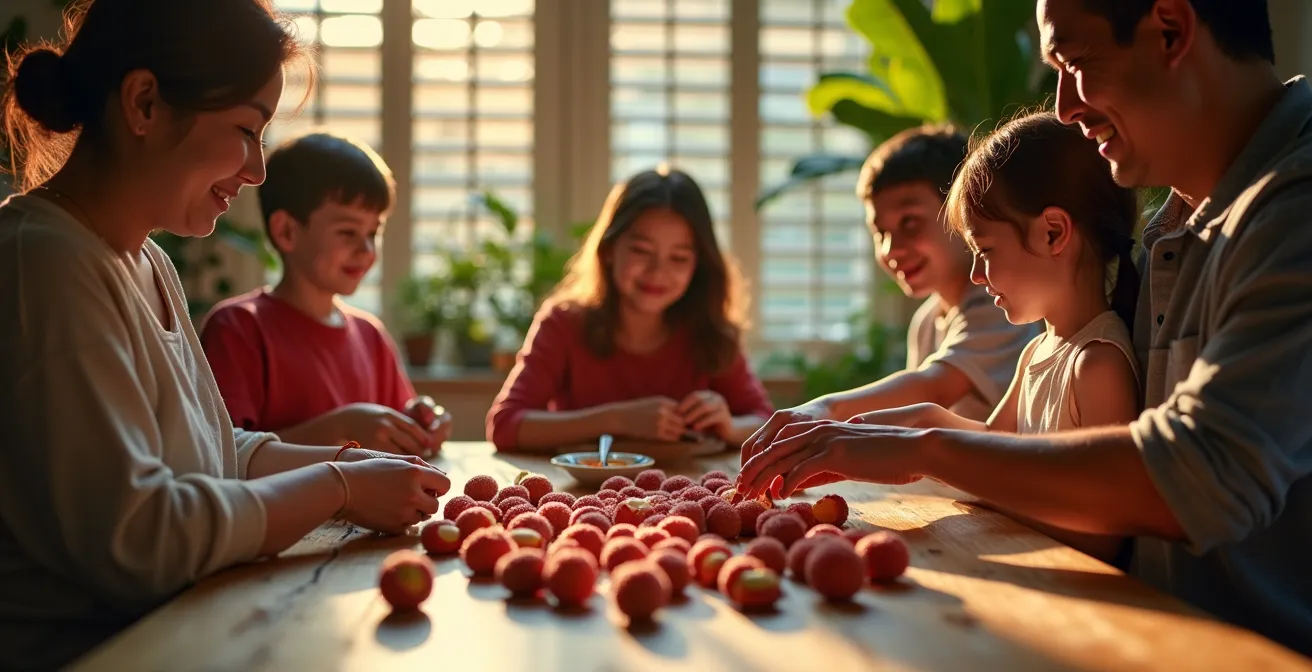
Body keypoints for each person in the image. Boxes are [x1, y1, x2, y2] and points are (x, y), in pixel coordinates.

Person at [739, 0, 1312, 655]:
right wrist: (889, 435)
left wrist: (922, 448)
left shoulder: (1292, 212)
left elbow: (1201, 473)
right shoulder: (1173, 227)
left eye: (1075, 62)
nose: (1064, 107)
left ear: (1171, 30)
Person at [0, 2, 448, 669]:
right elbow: (140, 541)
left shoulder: (145, 261)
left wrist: (349, 463)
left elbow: (210, 450)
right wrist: (339, 487)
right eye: (246, 129)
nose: (257, 172)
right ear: (145, 104)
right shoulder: (43, 265)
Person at [846, 111, 1143, 563]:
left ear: (1053, 233)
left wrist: (966, 476)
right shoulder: (1037, 351)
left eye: (984, 250)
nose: (976, 275)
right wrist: (862, 431)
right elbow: (991, 443)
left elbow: (1103, 533)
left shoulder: (1098, 364)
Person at [744, 125, 1039, 462]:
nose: (891, 249)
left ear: (963, 215)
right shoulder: (927, 321)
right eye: (879, 232)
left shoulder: (998, 306)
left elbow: (933, 387)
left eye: (909, 223)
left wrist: (827, 408)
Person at [200, 131, 452, 456]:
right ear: (286, 232)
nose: (366, 250)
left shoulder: (370, 335)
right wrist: (340, 430)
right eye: (348, 232)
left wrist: (421, 424)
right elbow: (224, 454)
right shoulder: (238, 328)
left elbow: (396, 435)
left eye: (373, 232)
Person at [486, 167, 774, 451]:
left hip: (688, 480)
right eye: (641, 251)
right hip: (582, 482)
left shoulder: (710, 330)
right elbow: (505, 424)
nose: (657, 272)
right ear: (609, 250)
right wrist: (617, 419)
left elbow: (764, 422)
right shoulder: (563, 322)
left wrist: (729, 425)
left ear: (698, 265)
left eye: (678, 258)